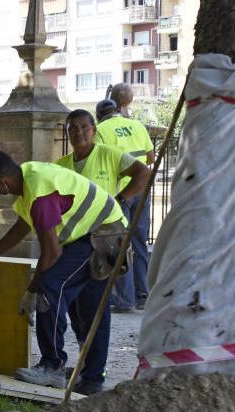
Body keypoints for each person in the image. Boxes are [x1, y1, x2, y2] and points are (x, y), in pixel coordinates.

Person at [0, 150, 126, 395]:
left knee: (49, 289)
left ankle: (52, 366)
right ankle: (92, 379)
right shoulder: (28, 177)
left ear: (1, 182)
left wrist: (32, 290)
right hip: (98, 232)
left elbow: (51, 253)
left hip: (102, 237)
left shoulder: (39, 194)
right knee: (89, 306)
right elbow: (23, 226)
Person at [55, 108, 150, 348]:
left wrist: (122, 199)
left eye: (84, 127)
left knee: (95, 304)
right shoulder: (61, 166)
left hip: (105, 239)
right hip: (75, 242)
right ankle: (85, 360)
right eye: (73, 128)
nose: (79, 132)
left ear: (94, 130)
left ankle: (94, 371)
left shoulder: (109, 154)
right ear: (67, 133)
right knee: (75, 306)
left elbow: (143, 172)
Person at [94, 83, 155, 312]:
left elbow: (98, 159)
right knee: (140, 243)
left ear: (99, 117)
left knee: (118, 243)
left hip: (120, 194)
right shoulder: (137, 125)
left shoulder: (101, 131)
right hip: (142, 189)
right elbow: (150, 157)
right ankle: (142, 295)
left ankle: (124, 300)